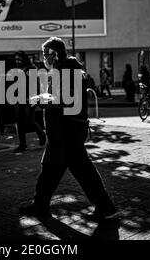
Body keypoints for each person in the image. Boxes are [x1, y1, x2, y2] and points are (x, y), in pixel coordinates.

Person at [20, 37, 116, 220]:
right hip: (64, 130)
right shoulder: (66, 69)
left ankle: (104, 205)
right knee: (55, 167)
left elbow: (62, 100)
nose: (44, 59)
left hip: (66, 130)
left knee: (71, 168)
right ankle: (41, 204)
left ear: (55, 54)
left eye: (45, 54)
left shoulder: (66, 71)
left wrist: (39, 100)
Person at [13, 51, 46, 153]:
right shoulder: (18, 70)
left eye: (19, 59)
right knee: (19, 121)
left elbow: (35, 84)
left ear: (24, 59)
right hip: (19, 98)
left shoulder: (30, 69)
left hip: (29, 98)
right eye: (16, 60)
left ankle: (41, 134)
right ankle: (22, 145)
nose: (17, 61)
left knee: (29, 120)